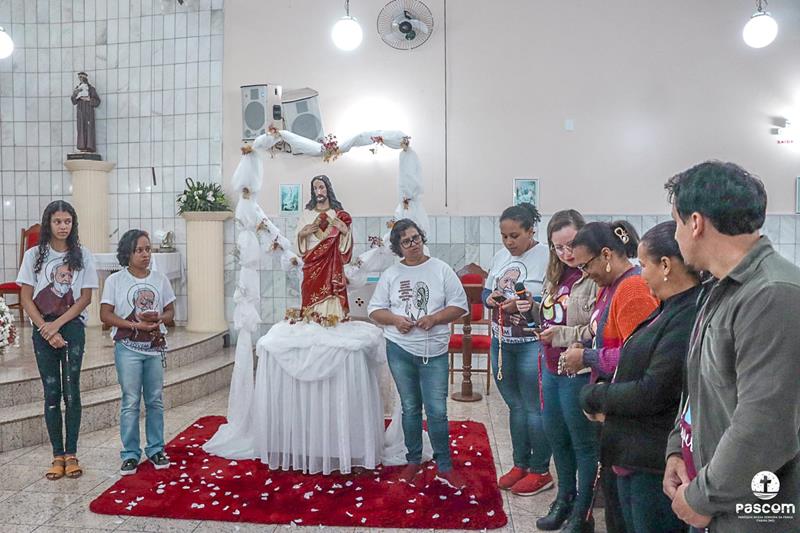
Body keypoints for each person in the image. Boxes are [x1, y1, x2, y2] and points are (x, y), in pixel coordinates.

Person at [662, 161, 800, 533]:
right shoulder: (720, 286)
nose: (675, 236)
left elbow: (764, 425)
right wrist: (678, 447)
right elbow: (699, 385)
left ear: (695, 223)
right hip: (713, 491)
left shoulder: (773, 294)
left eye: (676, 223)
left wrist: (702, 497)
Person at [580, 221, 701, 533]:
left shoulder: (686, 314)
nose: (641, 273)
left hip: (653, 457)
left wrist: (595, 395)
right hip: (634, 451)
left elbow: (654, 390)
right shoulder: (669, 307)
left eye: (645, 265)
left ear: (665, 265)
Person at [561, 220, 658, 533]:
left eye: (586, 265)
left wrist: (587, 358)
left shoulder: (633, 289)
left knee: (626, 512)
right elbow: (605, 337)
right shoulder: (609, 287)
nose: (584, 273)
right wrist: (586, 345)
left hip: (632, 415)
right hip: (613, 408)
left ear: (606, 254)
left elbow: (637, 359)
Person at [368, 219, 468, 486]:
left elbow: (460, 305)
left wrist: (435, 318)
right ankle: (413, 459)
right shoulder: (391, 274)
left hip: (434, 352)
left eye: (416, 238)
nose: (413, 244)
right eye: (406, 242)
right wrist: (395, 320)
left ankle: (444, 465)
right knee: (410, 407)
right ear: (398, 247)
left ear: (422, 237)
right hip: (400, 350)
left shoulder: (441, 269)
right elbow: (374, 309)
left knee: (437, 410)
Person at [16, 200, 98, 480]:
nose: (63, 227)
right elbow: (26, 297)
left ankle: (71, 453)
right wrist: (45, 329)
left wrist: (57, 326)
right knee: (51, 393)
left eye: (68, 222)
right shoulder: (34, 255)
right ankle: (57, 455)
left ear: (73, 224)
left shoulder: (83, 255)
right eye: (58, 221)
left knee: (71, 391)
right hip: (42, 329)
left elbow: (85, 298)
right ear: (48, 224)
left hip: (71, 327)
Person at [531, 210, 599, 532]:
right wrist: (530, 312)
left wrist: (559, 335)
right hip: (551, 367)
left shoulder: (594, 277)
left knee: (582, 443)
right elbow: (550, 315)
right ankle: (564, 500)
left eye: (571, 244)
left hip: (578, 369)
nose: (566, 253)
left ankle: (582, 513)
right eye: (558, 247)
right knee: (557, 438)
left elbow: (597, 329)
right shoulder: (555, 275)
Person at [483, 203, 554, 496]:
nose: (509, 242)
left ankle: (540, 470)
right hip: (502, 342)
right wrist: (491, 299)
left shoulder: (546, 257)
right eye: (504, 236)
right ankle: (520, 464)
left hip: (530, 343)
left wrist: (524, 304)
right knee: (516, 407)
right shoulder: (501, 256)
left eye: (515, 235)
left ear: (530, 231)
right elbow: (487, 290)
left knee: (534, 407)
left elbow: (552, 302)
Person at [100, 230, 176, 476]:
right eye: (139, 250)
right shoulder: (115, 281)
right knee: (131, 400)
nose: (145, 255)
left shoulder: (160, 279)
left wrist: (159, 319)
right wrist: (134, 325)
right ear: (128, 253)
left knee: (155, 399)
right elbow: (105, 315)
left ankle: (156, 449)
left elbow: (170, 312)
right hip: (128, 348)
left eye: (148, 249)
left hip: (153, 347)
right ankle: (130, 454)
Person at [295, 174, 353, 321]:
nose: (318, 191)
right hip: (312, 263)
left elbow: (345, 245)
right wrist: (302, 234)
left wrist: (344, 231)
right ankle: (312, 320)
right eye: (315, 188)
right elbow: (298, 240)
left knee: (332, 293)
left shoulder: (337, 213)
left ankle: (332, 320)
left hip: (332, 264)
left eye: (321, 187)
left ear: (328, 189)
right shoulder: (307, 214)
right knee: (309, 290)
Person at [70, 71, 101, 152]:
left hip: (89, 111)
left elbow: (97, 101)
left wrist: (89, 99)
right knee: (81, 128)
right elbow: (73, 101)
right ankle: (82, 146)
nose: (81, 79)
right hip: (80, 111)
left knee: (89, 128)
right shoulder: (77, 89)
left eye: (82, 77)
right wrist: (75, 94)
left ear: (85, 78)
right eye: (79, 77)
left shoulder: (91, 89)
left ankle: (90, 146)